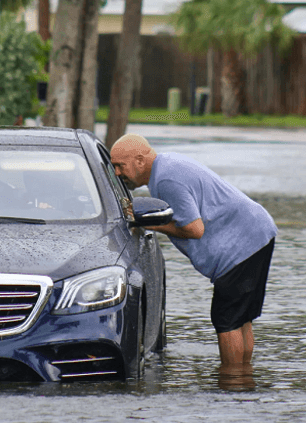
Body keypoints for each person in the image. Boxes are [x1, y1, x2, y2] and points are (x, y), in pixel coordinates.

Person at [110, 133, 276, 371]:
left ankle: (232, 383)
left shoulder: (166, 179)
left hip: (243, 243)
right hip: (257, 233)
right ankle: (243, 380)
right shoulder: (167, 166)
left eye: (120, 166)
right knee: (240, 319)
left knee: (226, 319)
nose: (117, 172)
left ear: (139, 160)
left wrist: (148, 224)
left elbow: (194, 229)